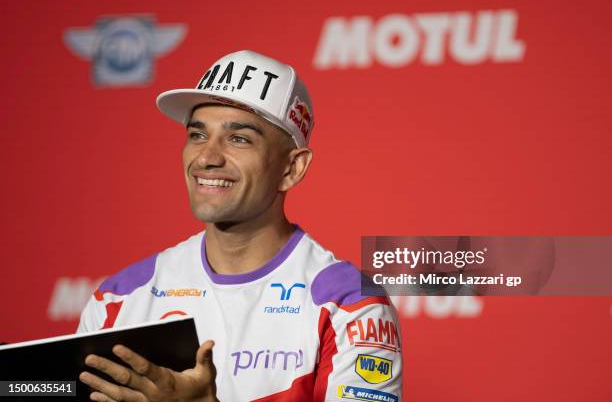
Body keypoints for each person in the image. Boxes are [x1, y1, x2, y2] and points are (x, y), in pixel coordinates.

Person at [77, 50, 403, 402]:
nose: (207, 157)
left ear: (292, 168)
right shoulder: (118, 298)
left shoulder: (349, 302)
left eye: (239, 139)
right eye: (198, 135)